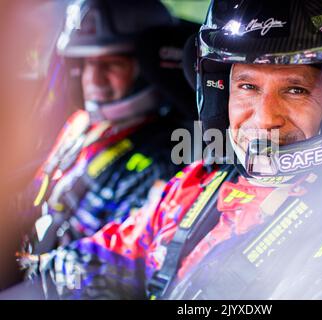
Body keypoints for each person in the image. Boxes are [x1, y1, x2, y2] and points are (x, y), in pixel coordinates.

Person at [18, 0, 322, 300]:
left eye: (295, 89)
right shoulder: (200, 186)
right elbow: (104, 258)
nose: (264, 118)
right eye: (247, 86)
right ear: (219, 92)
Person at [18, 0, 196, 264]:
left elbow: (113, 263)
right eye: (87, 64)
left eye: (112, 64)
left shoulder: (162, 159)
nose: (94, 79)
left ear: (146, 70)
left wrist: (29, 270)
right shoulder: (82, 125)